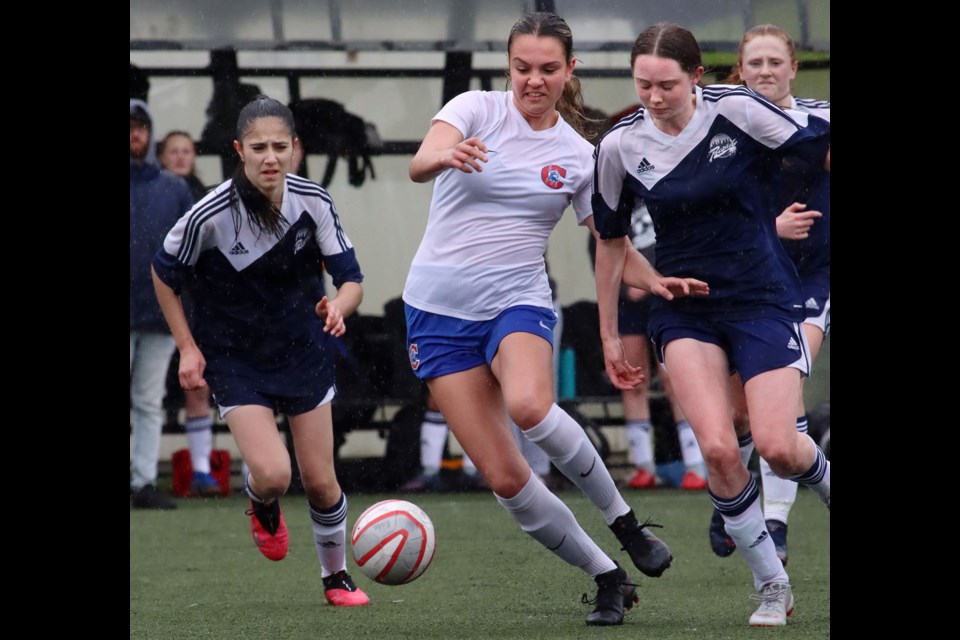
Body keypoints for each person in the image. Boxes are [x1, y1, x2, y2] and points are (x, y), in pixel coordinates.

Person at [402, 12, 705, 626]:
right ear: (507, 66)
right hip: (435, 313)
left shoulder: (578, 155)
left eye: (546, 69)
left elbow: (608, 238)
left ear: (570, 71)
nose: (532, 81)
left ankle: (627, 526)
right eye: (521, 68)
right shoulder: (475, 109)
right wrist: (445, 156)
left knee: (530, 407)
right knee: (509, 481)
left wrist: (652, 276)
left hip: (518, 301)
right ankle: (608, 576)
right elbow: (420, 160)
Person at [592, 23, 830, 627]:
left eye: (666, 84)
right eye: (642, 84)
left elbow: (812, 137)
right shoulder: (620, 146)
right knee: (721, 450)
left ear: (697, 77)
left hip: (762, 297)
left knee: (778, 444)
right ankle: (771, 586)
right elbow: (610, 240)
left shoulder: (739, 111)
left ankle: (822, 476)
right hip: (684, 308)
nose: (653, 96)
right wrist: (610, 328)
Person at [151, 95, 370, 607]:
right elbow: (163, 274)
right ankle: (260, 498)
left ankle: (336, 578)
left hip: (303, 351)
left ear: (295, 149)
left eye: (279, 147)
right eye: (258, 148)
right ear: (239, 151)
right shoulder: (209, 214)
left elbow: (353, 279)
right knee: (275, 474)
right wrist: (187, 348)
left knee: (321, 482)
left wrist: (340, 305)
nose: (270, 157)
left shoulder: (313, 202)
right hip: (234, 360)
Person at [707, 23, 831, 567]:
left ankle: (774, 525)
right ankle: (732, 492)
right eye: (754, 63)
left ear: (792, 67)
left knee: (783, 400)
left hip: (809, 281)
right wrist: (767, 228)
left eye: (774, 63)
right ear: (741, 67)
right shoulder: (722, 127)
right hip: (748, 280)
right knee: (740, 418)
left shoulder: (821, 121)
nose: (764, 71)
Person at [587, 209, 708, 491]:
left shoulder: (657, 190)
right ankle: (642, 465)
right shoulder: (610, 198)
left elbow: (676, 239)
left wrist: (650, 277)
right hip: (627, 306)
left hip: (664, 296)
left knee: (673, 378)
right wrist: (625, 285)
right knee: (631, 378)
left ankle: (695, 465)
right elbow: (601, 248)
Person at [130, 98, 195, 510]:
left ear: (150, 133)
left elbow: (192, 248)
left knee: (148, 401)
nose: (134, 133)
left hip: (159, 315)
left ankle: (144, 483)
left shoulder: (173, 188)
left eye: (140, 126)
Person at [157, 130, 220, 496]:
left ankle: (201, 471)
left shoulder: (206, 197)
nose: (180, 157)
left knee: (198, 385)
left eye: (187, 151)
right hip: (149, 307)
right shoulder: (149, 192)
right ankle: (143, 475)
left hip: (193, 307)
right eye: (173, 151)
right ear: (161, 156)